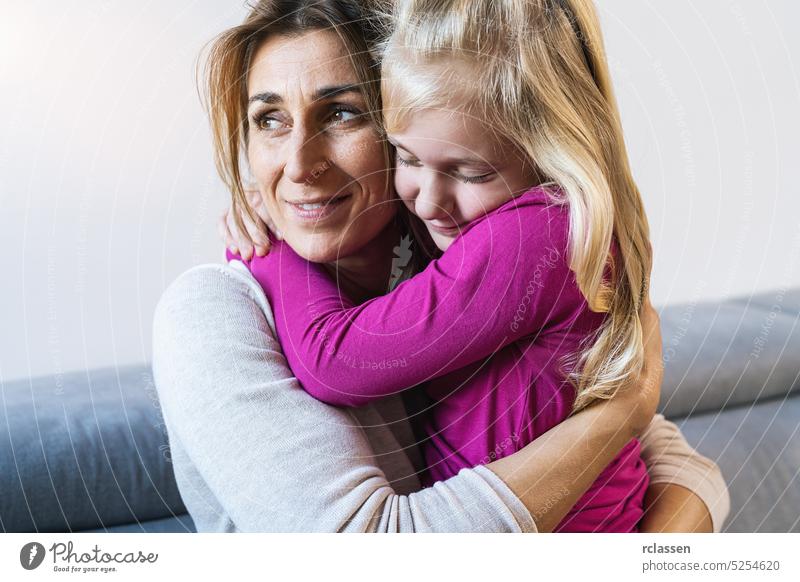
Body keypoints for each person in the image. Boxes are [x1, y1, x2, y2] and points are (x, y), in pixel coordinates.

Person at [153, 0, 729, 533]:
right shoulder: (210, 311)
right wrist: (619, 416)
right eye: (269, 119)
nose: (298, 165)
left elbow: (670, 459)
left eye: (342, 113)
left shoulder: (455, 255)